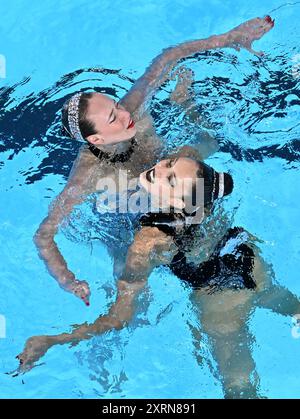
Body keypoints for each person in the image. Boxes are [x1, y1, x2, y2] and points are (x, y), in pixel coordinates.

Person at [34, 16, 275, 305]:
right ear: (96, 139)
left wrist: (231, 37)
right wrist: (68, 281)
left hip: (166, 176)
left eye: (115, 105)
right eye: (113, 118)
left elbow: (168, 57)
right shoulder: (87, 174)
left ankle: (183, 100)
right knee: (130, 289)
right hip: (128, 214)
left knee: (208, 144)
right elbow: (43, 236)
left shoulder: (131, 107)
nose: (125, 113)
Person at [17, 155, 300, 398]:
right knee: (282, 301)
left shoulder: (148, 241)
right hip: (247, 256)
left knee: (237, 383)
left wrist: (54, 340)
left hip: (220, 297)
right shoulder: (206, 193)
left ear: (178, 201)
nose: (161, 168)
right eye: (171, 163)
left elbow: (120, 317)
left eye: (172, 179)